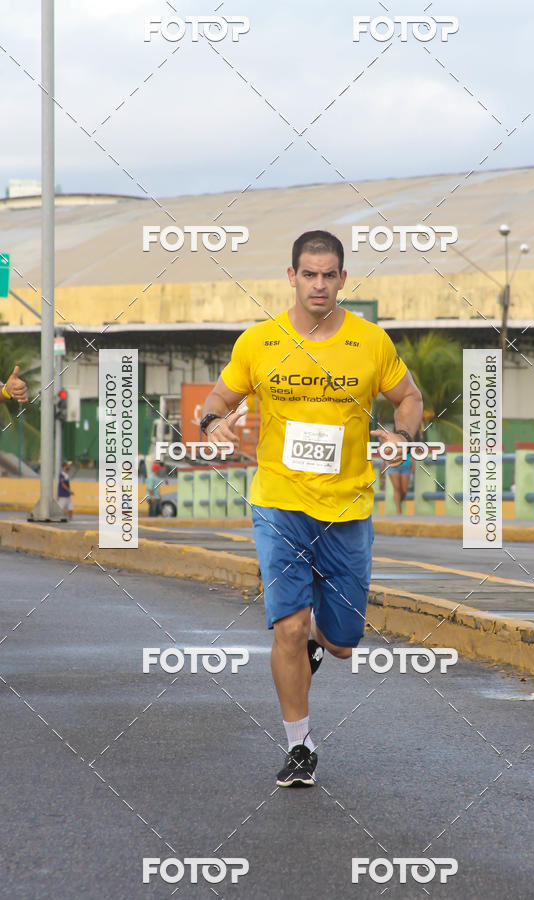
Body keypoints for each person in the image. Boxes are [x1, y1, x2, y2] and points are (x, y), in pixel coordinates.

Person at [200, 230, 423, 787]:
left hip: (347, 508)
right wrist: (213, 422)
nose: (319, 284)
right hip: (279, 503)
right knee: (289, 628)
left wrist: (401, 433)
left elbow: (409, 397)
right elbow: (218, 399)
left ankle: (320, 647)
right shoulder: (260, 342)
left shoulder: (371, 343)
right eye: (309, 274)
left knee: (343, 642)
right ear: (292, 276)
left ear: (343, 279)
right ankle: (298, 746)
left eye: (329, 275)